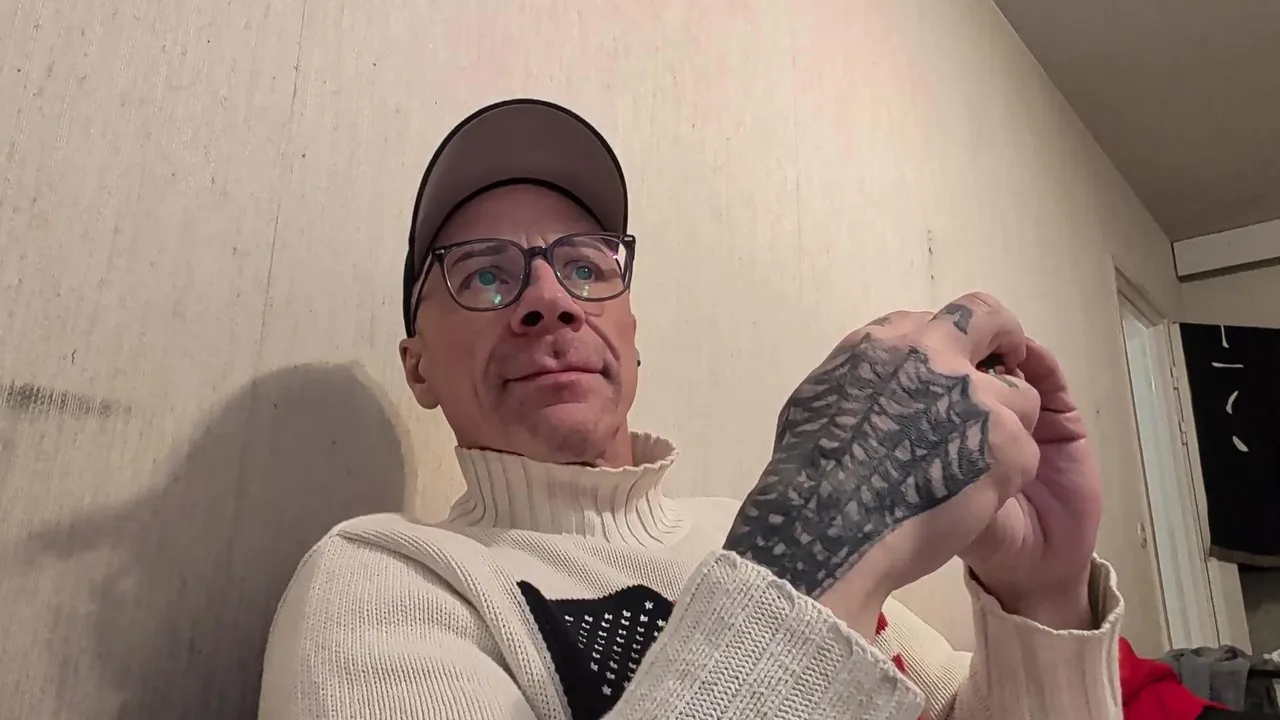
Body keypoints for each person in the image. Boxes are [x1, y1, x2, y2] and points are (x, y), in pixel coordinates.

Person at [258, 98, 1123, 720]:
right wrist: (817, 554)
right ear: (418, 369)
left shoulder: (739, 528)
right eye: (484, 274)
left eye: (587, 267)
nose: (551, 300)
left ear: (632, 337)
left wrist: (1043, 599)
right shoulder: (385, 580)